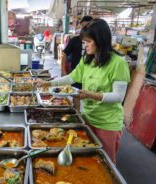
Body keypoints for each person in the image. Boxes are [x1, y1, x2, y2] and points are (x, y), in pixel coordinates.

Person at [37, 19, 130, 163]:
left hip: (107, 123)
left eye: (88, 41)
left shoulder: (118, 63)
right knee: (88, 159)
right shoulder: (87, 59)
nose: (85, 45)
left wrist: (90, 95)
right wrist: (48, 83)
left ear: (100, 40)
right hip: (87, 118)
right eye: (84, 41)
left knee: (105, 162)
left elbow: (118, 96)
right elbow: (72, 77)